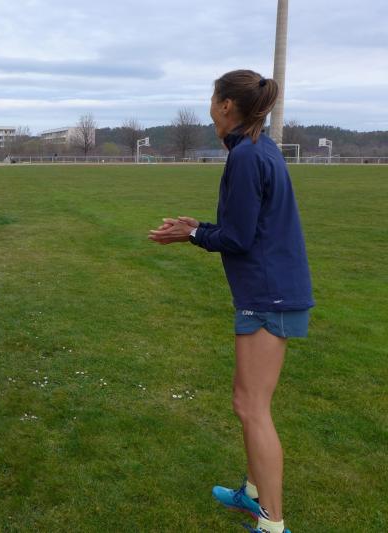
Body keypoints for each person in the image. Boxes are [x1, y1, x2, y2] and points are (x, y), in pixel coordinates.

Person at [148, 70, 313, 533]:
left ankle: (272, 523)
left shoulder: (247, 155)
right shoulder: (258, 148)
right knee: (246, 402)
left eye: (212, 100)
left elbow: (238, 238)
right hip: (270, 289)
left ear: (225, 105)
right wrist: (198, 227)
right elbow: (246, 226)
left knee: (253, 407)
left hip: (269, 294)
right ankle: (253, 495)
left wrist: (192, 235)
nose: (209, 110)